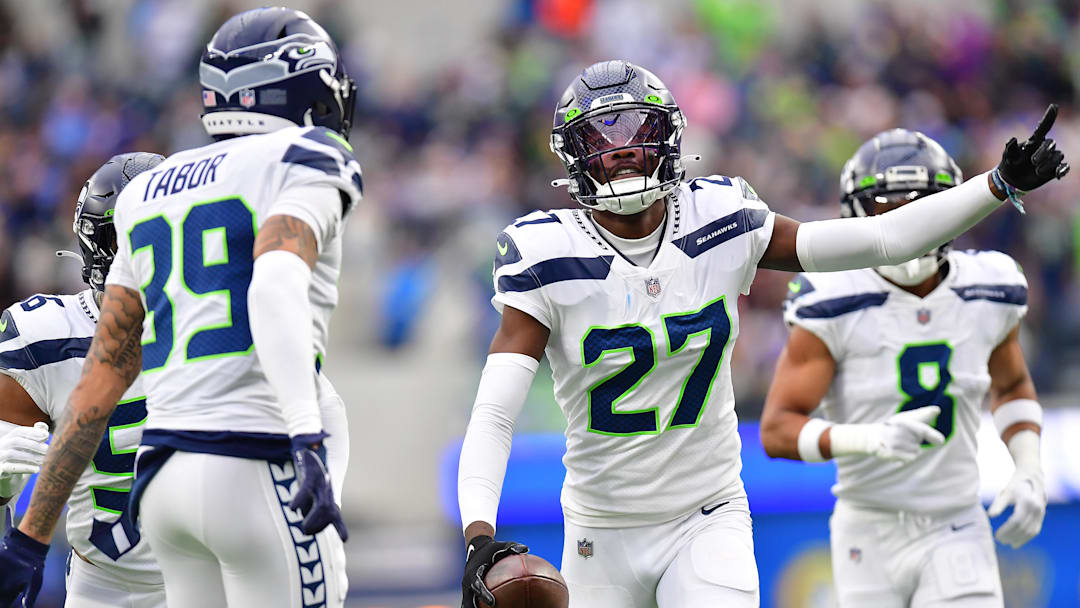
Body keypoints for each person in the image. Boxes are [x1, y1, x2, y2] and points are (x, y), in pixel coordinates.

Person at [455, 60, 1067, 608]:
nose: (620, 154)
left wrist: (997, 184)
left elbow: (883, 240)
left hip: (707, 512)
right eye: (601, 140)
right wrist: (479, 538)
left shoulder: (719, 218)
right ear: (573, 156)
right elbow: (494, 415)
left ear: (666, 141)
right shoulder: (545, 252)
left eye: (635, 136)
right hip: (598, 525)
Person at [0, 7, 360, 608]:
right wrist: (306, 437)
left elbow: (101, 377)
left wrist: (29, 539)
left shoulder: (151, 191)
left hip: (166, 483)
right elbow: (272, 287)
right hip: (252, 460)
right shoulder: (306, 156)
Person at [759, 129, 1045, 607]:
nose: (904, 221)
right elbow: (777, 431)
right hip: (868, 525)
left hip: (957, 519)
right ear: (856, 215)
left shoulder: (991, 285)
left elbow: (1012, 385)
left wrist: (1030, 466)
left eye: (920, 205)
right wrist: (866, 438)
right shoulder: (833, 297)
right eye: (885, 208)